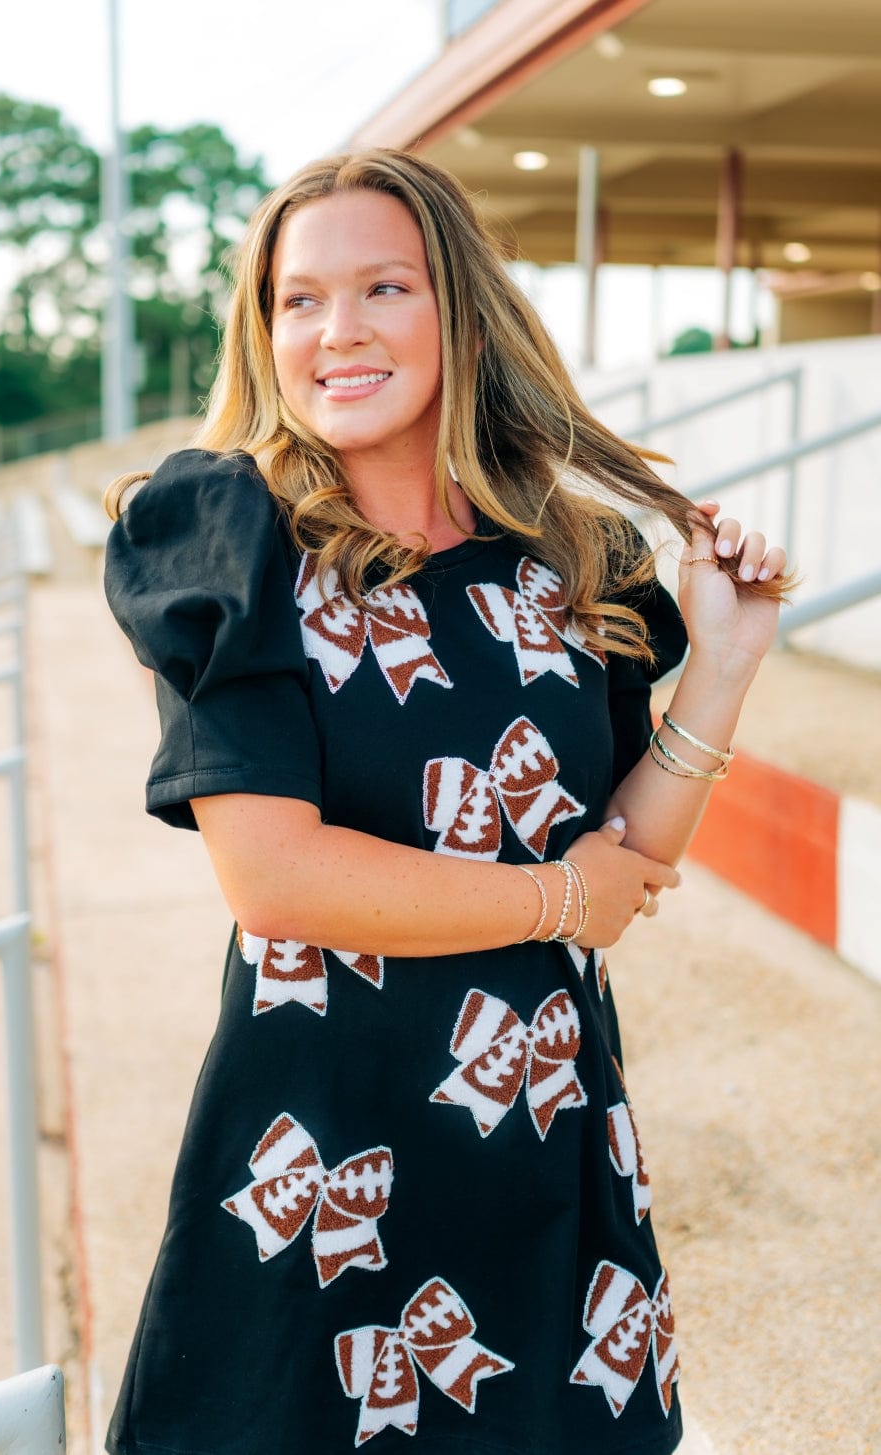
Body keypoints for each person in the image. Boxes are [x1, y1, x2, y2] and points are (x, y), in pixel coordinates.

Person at [102, 149, 792, 1455]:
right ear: (264, 333)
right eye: (298, 301)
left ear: (460, 312)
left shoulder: (568, 561)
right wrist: (555, 897)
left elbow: (625, 865)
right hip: (320, 1176)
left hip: (540, 1142)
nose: (337, 332)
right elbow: (276, 876)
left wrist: (729, 660)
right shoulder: (224, 539)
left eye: (383, 288)